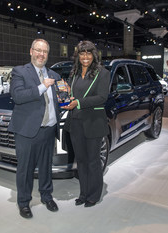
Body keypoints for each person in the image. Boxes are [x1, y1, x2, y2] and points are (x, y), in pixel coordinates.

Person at [8, 39, 61, 219]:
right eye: (38, 50)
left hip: (49, 129)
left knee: (46, 166)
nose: (41, 54)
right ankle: (23, 202)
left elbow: (59, 99)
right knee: (25, 169)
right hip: (27, 131)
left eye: (45, 51)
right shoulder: (20, 71)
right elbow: (17, 96)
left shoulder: (54, 74)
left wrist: (65, 97)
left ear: (48, 54)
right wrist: (42, 87)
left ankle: (47, 196)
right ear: (31, 51)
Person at [62, 40, 110, 208]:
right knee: (80, 160)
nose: (85, 57)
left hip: (93, 122)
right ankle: (83, 193)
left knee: (93, 161)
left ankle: (94, 195)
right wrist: (69, 100)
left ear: (94, 55)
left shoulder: (102, 73)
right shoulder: (74, 73)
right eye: (82, 53)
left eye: (89, 53)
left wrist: (79, 103)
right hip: (75, 122)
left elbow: (102, 97)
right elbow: (73, 95)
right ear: (78, 56)